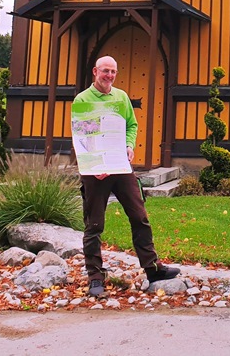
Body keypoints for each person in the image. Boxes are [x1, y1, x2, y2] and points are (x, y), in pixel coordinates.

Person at [74, 55, 180, 298]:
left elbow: (131, 125)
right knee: (94, 224)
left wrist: (130, 145)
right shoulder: (82, 100)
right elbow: (81, 136)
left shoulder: (121, 98)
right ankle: (95, 277)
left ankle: (152, 268)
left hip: (121, 167)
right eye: (105, 71)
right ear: (95, 72)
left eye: (113, 71)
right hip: (96, 173)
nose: (109, 76)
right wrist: (93, 164)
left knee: (139, 215)